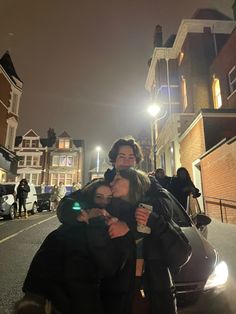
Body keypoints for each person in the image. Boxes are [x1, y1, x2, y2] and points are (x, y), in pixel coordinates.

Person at [58, 137, 192, 314]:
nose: (127, 161)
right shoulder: (104, 186)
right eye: (122, 156)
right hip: (116, 282)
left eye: (131, 157)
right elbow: (69, 203)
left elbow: (164, 208)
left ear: (136, 161)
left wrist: (129, 223)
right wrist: (80, 214)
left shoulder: (149, 184)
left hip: (154, 281)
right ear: (114, 159)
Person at [17, 178, 137, 314]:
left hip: (99, 298)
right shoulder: (68, 229)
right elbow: (42, 265)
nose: (104, 203)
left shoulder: (116, 227)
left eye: (109, 198)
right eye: (99, 197)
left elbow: (110, 266)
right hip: (69, 298)